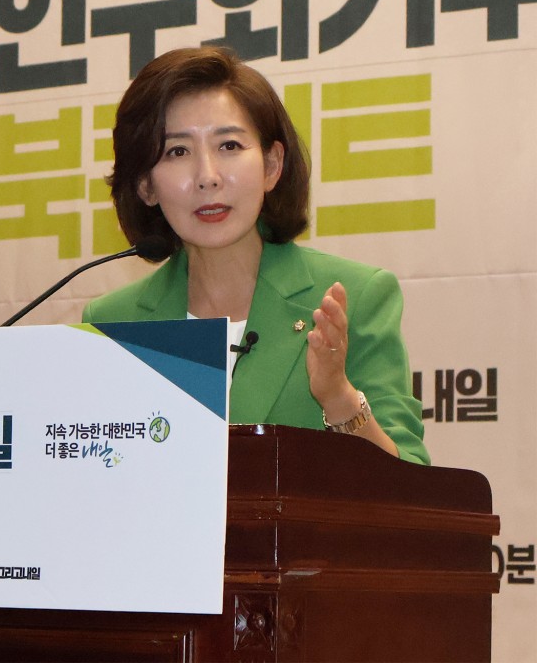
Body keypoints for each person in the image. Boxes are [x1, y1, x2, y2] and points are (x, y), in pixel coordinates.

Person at [82, 47, 428, 465]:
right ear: (145, 185)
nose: (207, 177)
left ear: (272, 165)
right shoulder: (113, 323)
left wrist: (338, 397)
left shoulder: (355, 296)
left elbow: (411, 481)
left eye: (229, 145)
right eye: (177, 152)